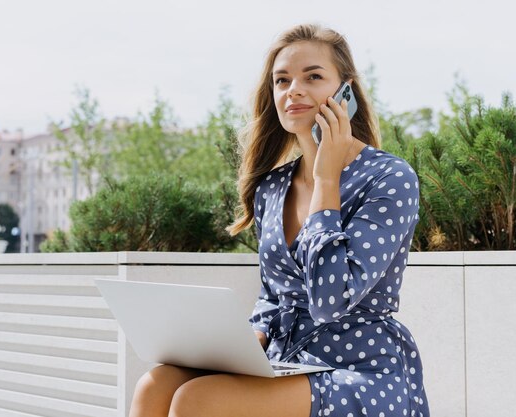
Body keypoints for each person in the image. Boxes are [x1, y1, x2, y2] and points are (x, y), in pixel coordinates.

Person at [129, 23, 429, 417]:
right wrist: (241, 343)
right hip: (286, 359)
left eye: (314, 77)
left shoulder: (389, 178)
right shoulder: (272, 187)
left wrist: (326, 178)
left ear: (346, 91)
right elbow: (273, 298)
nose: (294, 90)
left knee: (199, 400)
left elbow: (331, 301)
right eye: (282, 80)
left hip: (360, 369)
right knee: (158, 383)